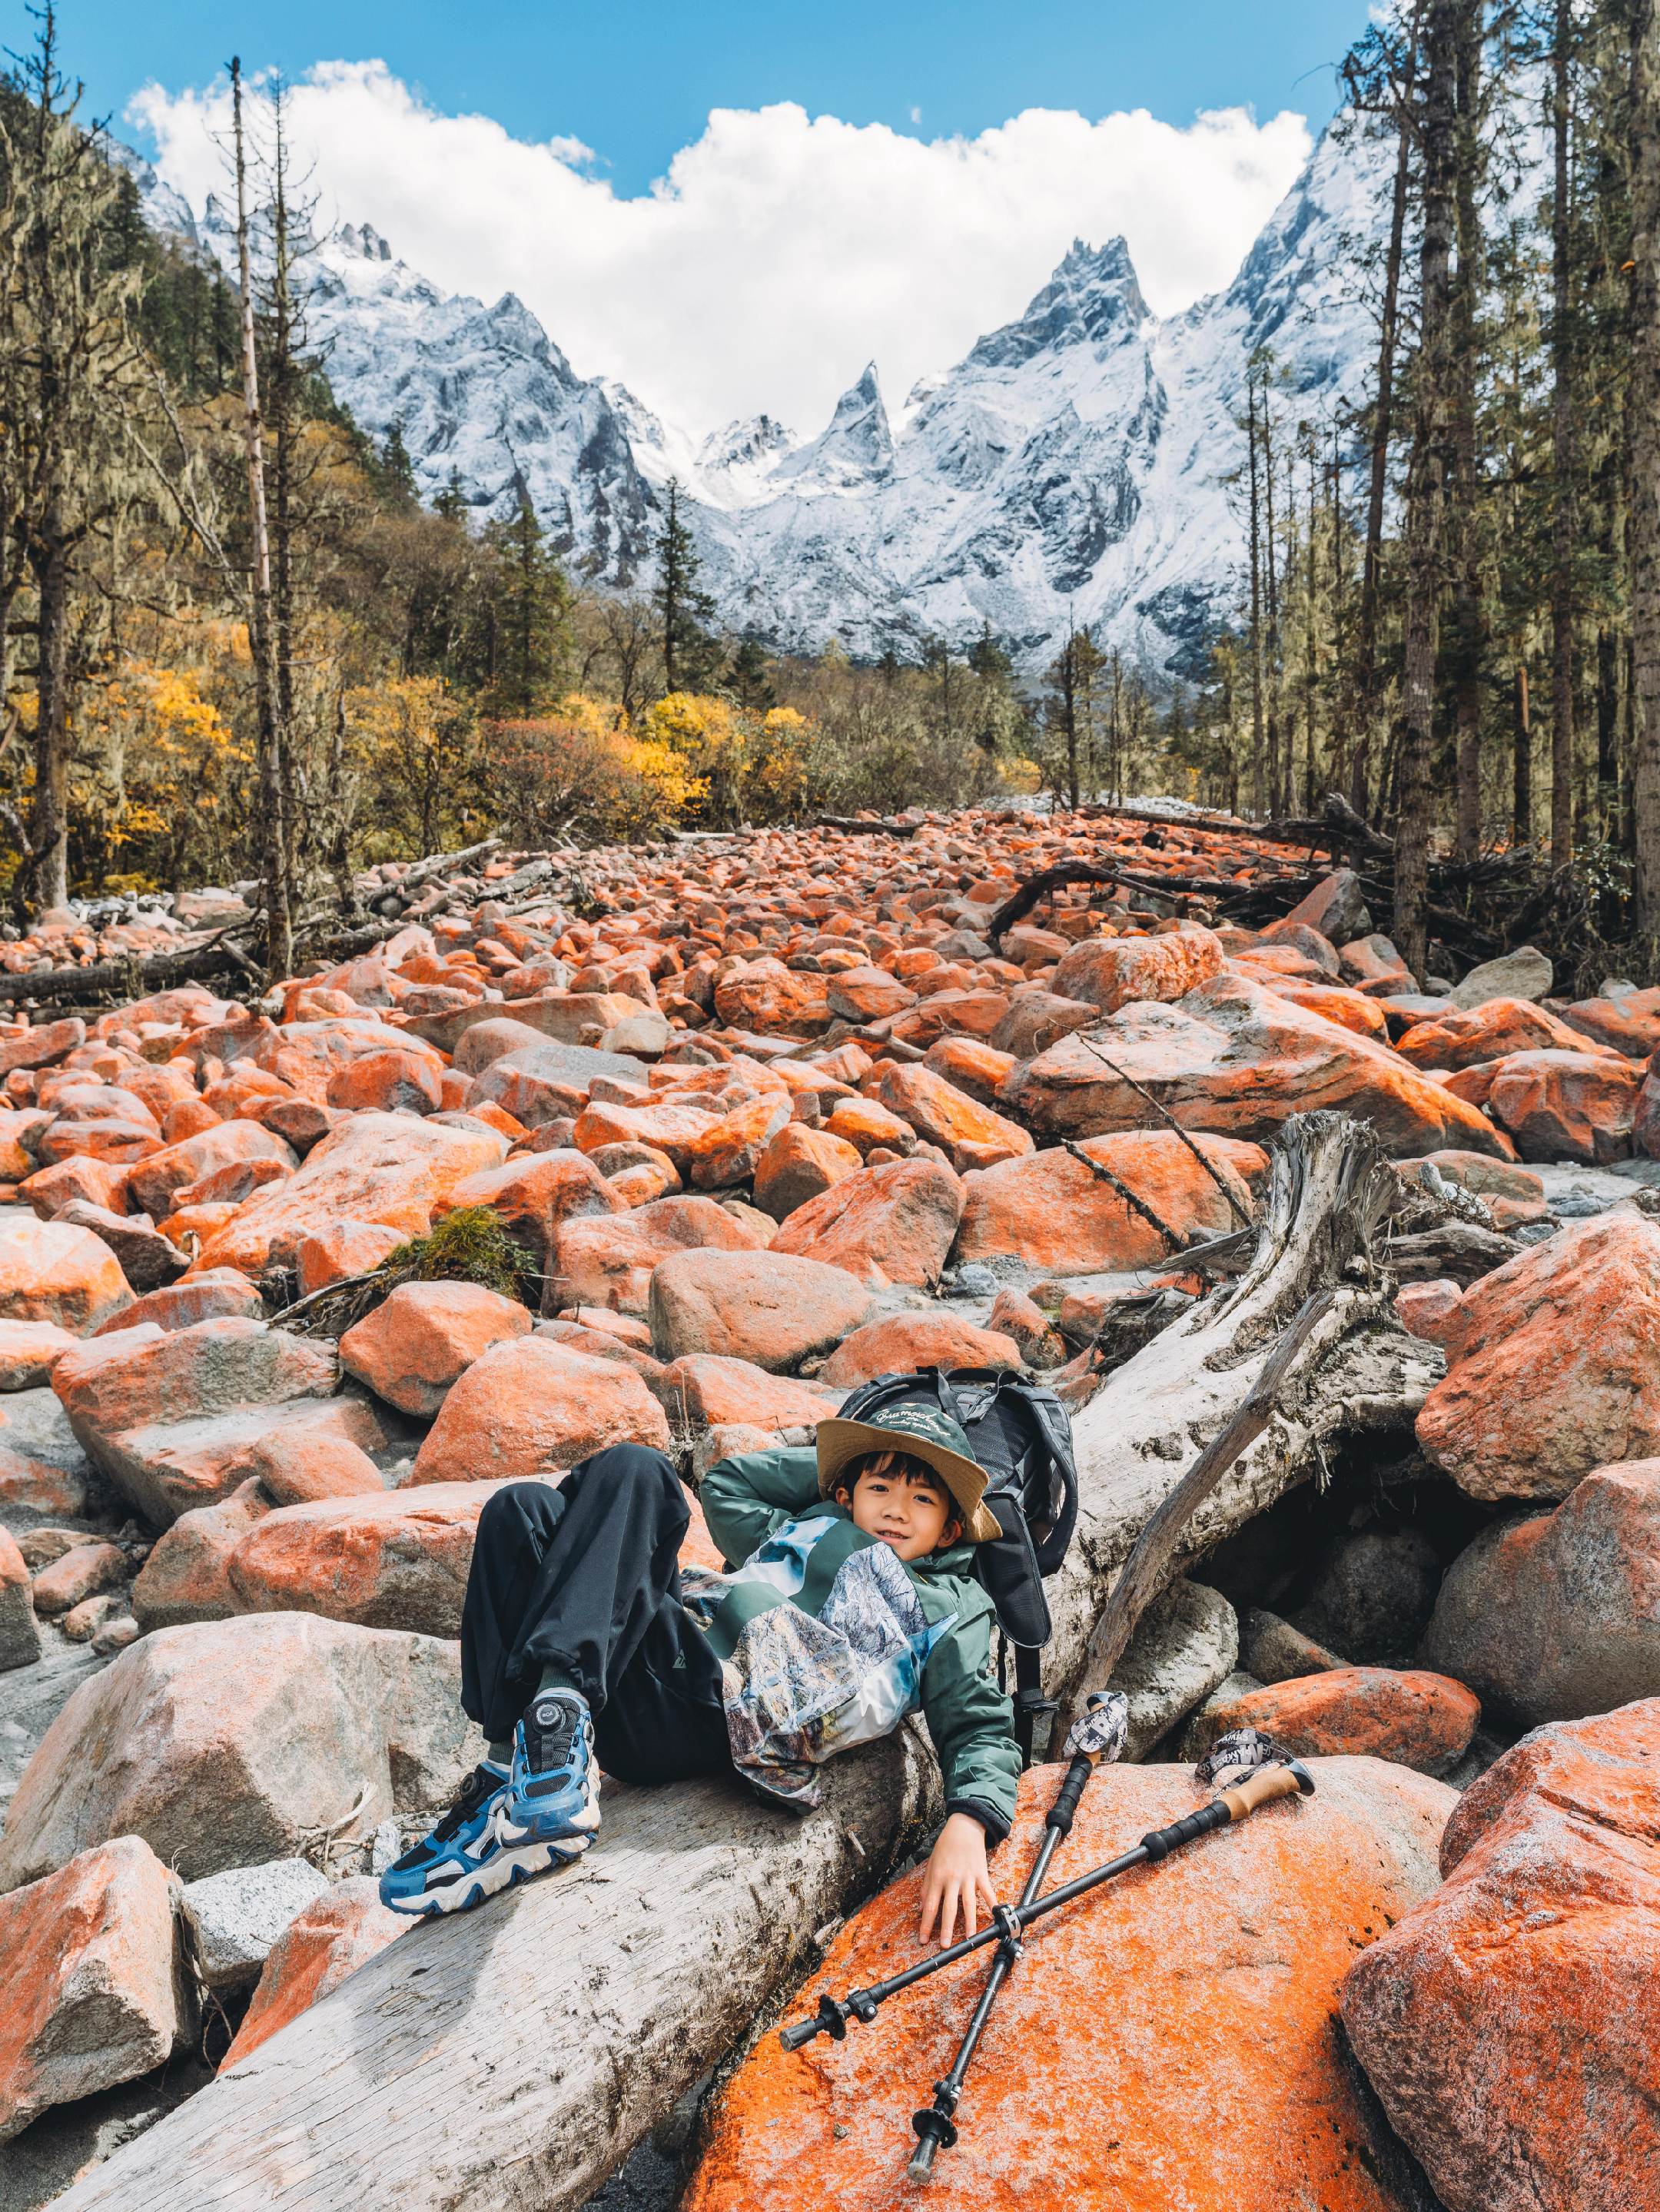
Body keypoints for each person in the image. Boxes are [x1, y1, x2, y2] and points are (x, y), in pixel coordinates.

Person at [380, 1400, 1022, 1947]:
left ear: (951, 1529)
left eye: (922, 1498)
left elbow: (979, 1725)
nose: (897, 1510)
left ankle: (545, 1746)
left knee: (641, 1468)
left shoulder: (952, 1607)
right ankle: (522, 1761)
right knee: (518, 1509)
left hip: (720, 1708)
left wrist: (969, 1823)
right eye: (881, 1489)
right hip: (663, 1657)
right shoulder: (803, 1524)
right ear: (847, 1495)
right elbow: (728, 1484)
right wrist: (840, 1482)